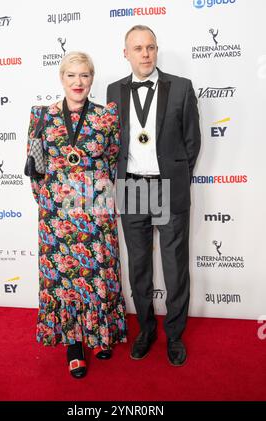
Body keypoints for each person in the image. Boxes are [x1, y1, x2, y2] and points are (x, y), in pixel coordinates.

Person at [27, 52, 127, 379]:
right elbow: (35, 165)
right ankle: (74, 345)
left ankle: (100, 333)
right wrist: (48, 204)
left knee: (98, 270)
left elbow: (113, 160)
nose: (78, 82)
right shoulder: (42, 116)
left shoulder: (106, 116)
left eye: (84, 75)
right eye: (71, 75)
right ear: (61, 78)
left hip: (96, 210)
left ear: (92, 78)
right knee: (66, 280)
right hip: (57, 215)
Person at [107, 26, 201, 366]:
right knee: (140, 267)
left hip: (167, 187)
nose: (145, 54)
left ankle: (174, 336)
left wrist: (176, 177)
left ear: (156, 50)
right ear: (126, 53)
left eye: (150, 47)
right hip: (131, 187)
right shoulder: (113, 91)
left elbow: (193, 142)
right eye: (137, 48)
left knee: (176, 268)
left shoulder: (181, 88)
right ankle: (146, 331)